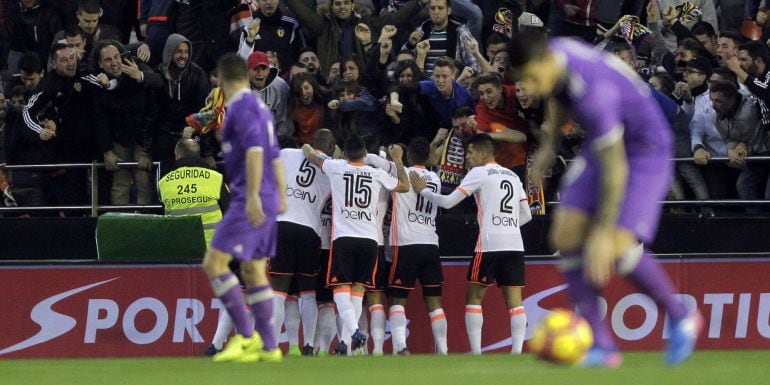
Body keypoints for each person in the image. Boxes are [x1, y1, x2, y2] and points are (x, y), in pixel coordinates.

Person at [509, 33, 703, 367]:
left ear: (543, 63)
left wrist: (601, 231)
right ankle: (602, 346)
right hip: (607, 146)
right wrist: (550, 144)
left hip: (645, 151)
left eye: (531, 79)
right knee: (565, 236)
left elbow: (616, 170)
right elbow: (557, 93)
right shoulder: (555, 57)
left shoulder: (594, 95)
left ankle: (680, 314)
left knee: (613, 245)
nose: (529, 87)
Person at [410, 133, 531, 355]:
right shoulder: (513, 175)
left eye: (471, 152)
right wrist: (509, 226)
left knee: (474, 297)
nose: (468, 156)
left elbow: (448, 202)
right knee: (515, 302)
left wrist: (423, 191)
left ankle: (476, 352)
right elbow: (527, 215)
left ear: (483, 153)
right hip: (515, 245)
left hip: (489, 244)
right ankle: (517, 352)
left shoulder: (479, 173)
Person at [202, 53, 287, 363]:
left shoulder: (239, 107)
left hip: (248, 197)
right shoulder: (260, 108)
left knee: (215, 263)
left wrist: (251, 197)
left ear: (222, 79)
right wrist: (280, 193)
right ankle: (269, 347)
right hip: (265, 195)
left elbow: (254, 150)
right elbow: (274, 153)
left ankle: (247, 337)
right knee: (252, 269)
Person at [301, 136, 409, 355]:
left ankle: (354, 332)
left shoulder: (335, 167)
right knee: (358, 290)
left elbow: (312, 156)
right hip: (370, 240)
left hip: (344, 238)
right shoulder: (377, 173)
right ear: (364, 153)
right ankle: (346, 343)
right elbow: (405, 186)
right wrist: (398, 160)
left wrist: (305, 146)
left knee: (341, 289)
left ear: (345, 154)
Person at [271, 129, 335, 356]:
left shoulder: (287, 153)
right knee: (308, 292)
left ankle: (273, 346)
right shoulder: (331, 167)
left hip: (282, 224)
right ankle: (308, 345)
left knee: (279, 292)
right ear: (332, 146)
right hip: (310, 230)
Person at [385, 137, 447, 355]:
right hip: (431, 244)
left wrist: (396, 159)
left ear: (409, 154)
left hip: (407, 244)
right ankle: (443, 349)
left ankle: (401, 347)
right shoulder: (435, 179)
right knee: (435, 303)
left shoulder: (402, 172)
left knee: (398, 299)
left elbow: (379, 162)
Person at [158, 138, 226, 245]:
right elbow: (228, 210)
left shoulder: (164, 182)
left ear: (177, 156)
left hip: (180, 248)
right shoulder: (216, 178)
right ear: (198, 155)